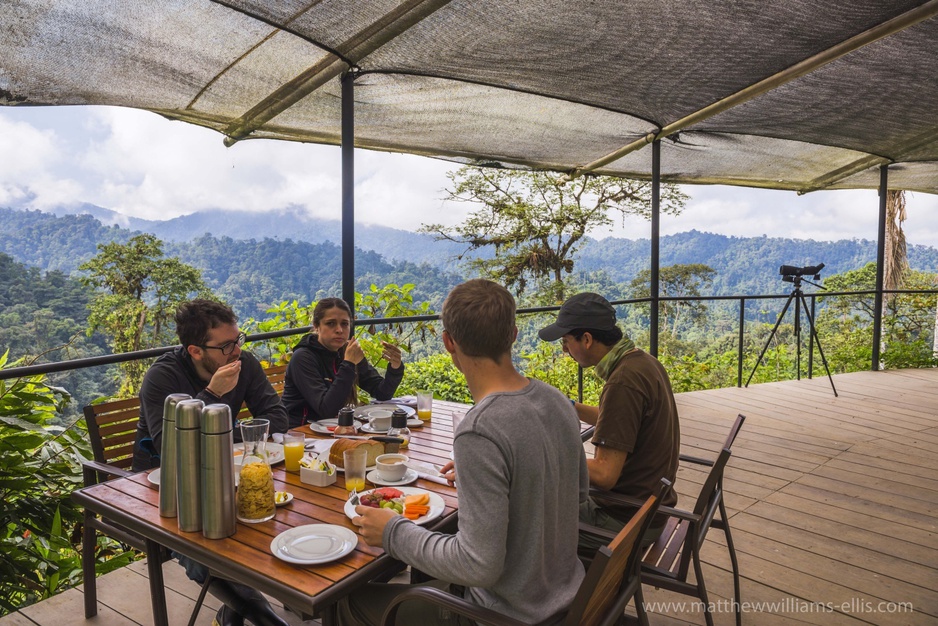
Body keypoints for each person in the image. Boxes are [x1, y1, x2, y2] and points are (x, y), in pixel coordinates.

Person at [341, 279, 588, 626]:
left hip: (503, 615)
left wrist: (391, 531)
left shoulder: (480, 430)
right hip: (566, 595)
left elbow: (478, 564)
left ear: (448, 342)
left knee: (349, 600)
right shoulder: (558, 401)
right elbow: (577, 496)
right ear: (513, 334)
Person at [132, 299, 289, 626]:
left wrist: (228, 440)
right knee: (203, 550)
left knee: (273, 520)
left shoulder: (243, 362)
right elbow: (169, 448)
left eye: (238, 340)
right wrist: (213, 395)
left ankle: (231, 615)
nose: (236, 351)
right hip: (163, 490)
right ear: (195, 350)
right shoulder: (163, 378)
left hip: (225, 477)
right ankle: (268, 620)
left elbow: (276, 416)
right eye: (226, 345)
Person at [538, 292, 680, 550]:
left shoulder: (622, 383)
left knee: (528, 514)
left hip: (624, 521)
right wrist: (568, 406)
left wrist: (545, 455)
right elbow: (618, 418)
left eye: (566, 342)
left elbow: (605, 475)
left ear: (587, 339)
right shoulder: (642, 362)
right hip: (648, 508)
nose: (565, 350)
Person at [282, 297, 404, 428]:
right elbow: (326, 409)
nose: (339, 330)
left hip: (334, 429)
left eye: (344, 324)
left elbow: (381, 393)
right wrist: (348, 364)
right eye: (331, 323)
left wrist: (395, 368)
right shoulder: (303, 357)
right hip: (300, 433)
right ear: (317, 326)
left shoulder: (346, 350)